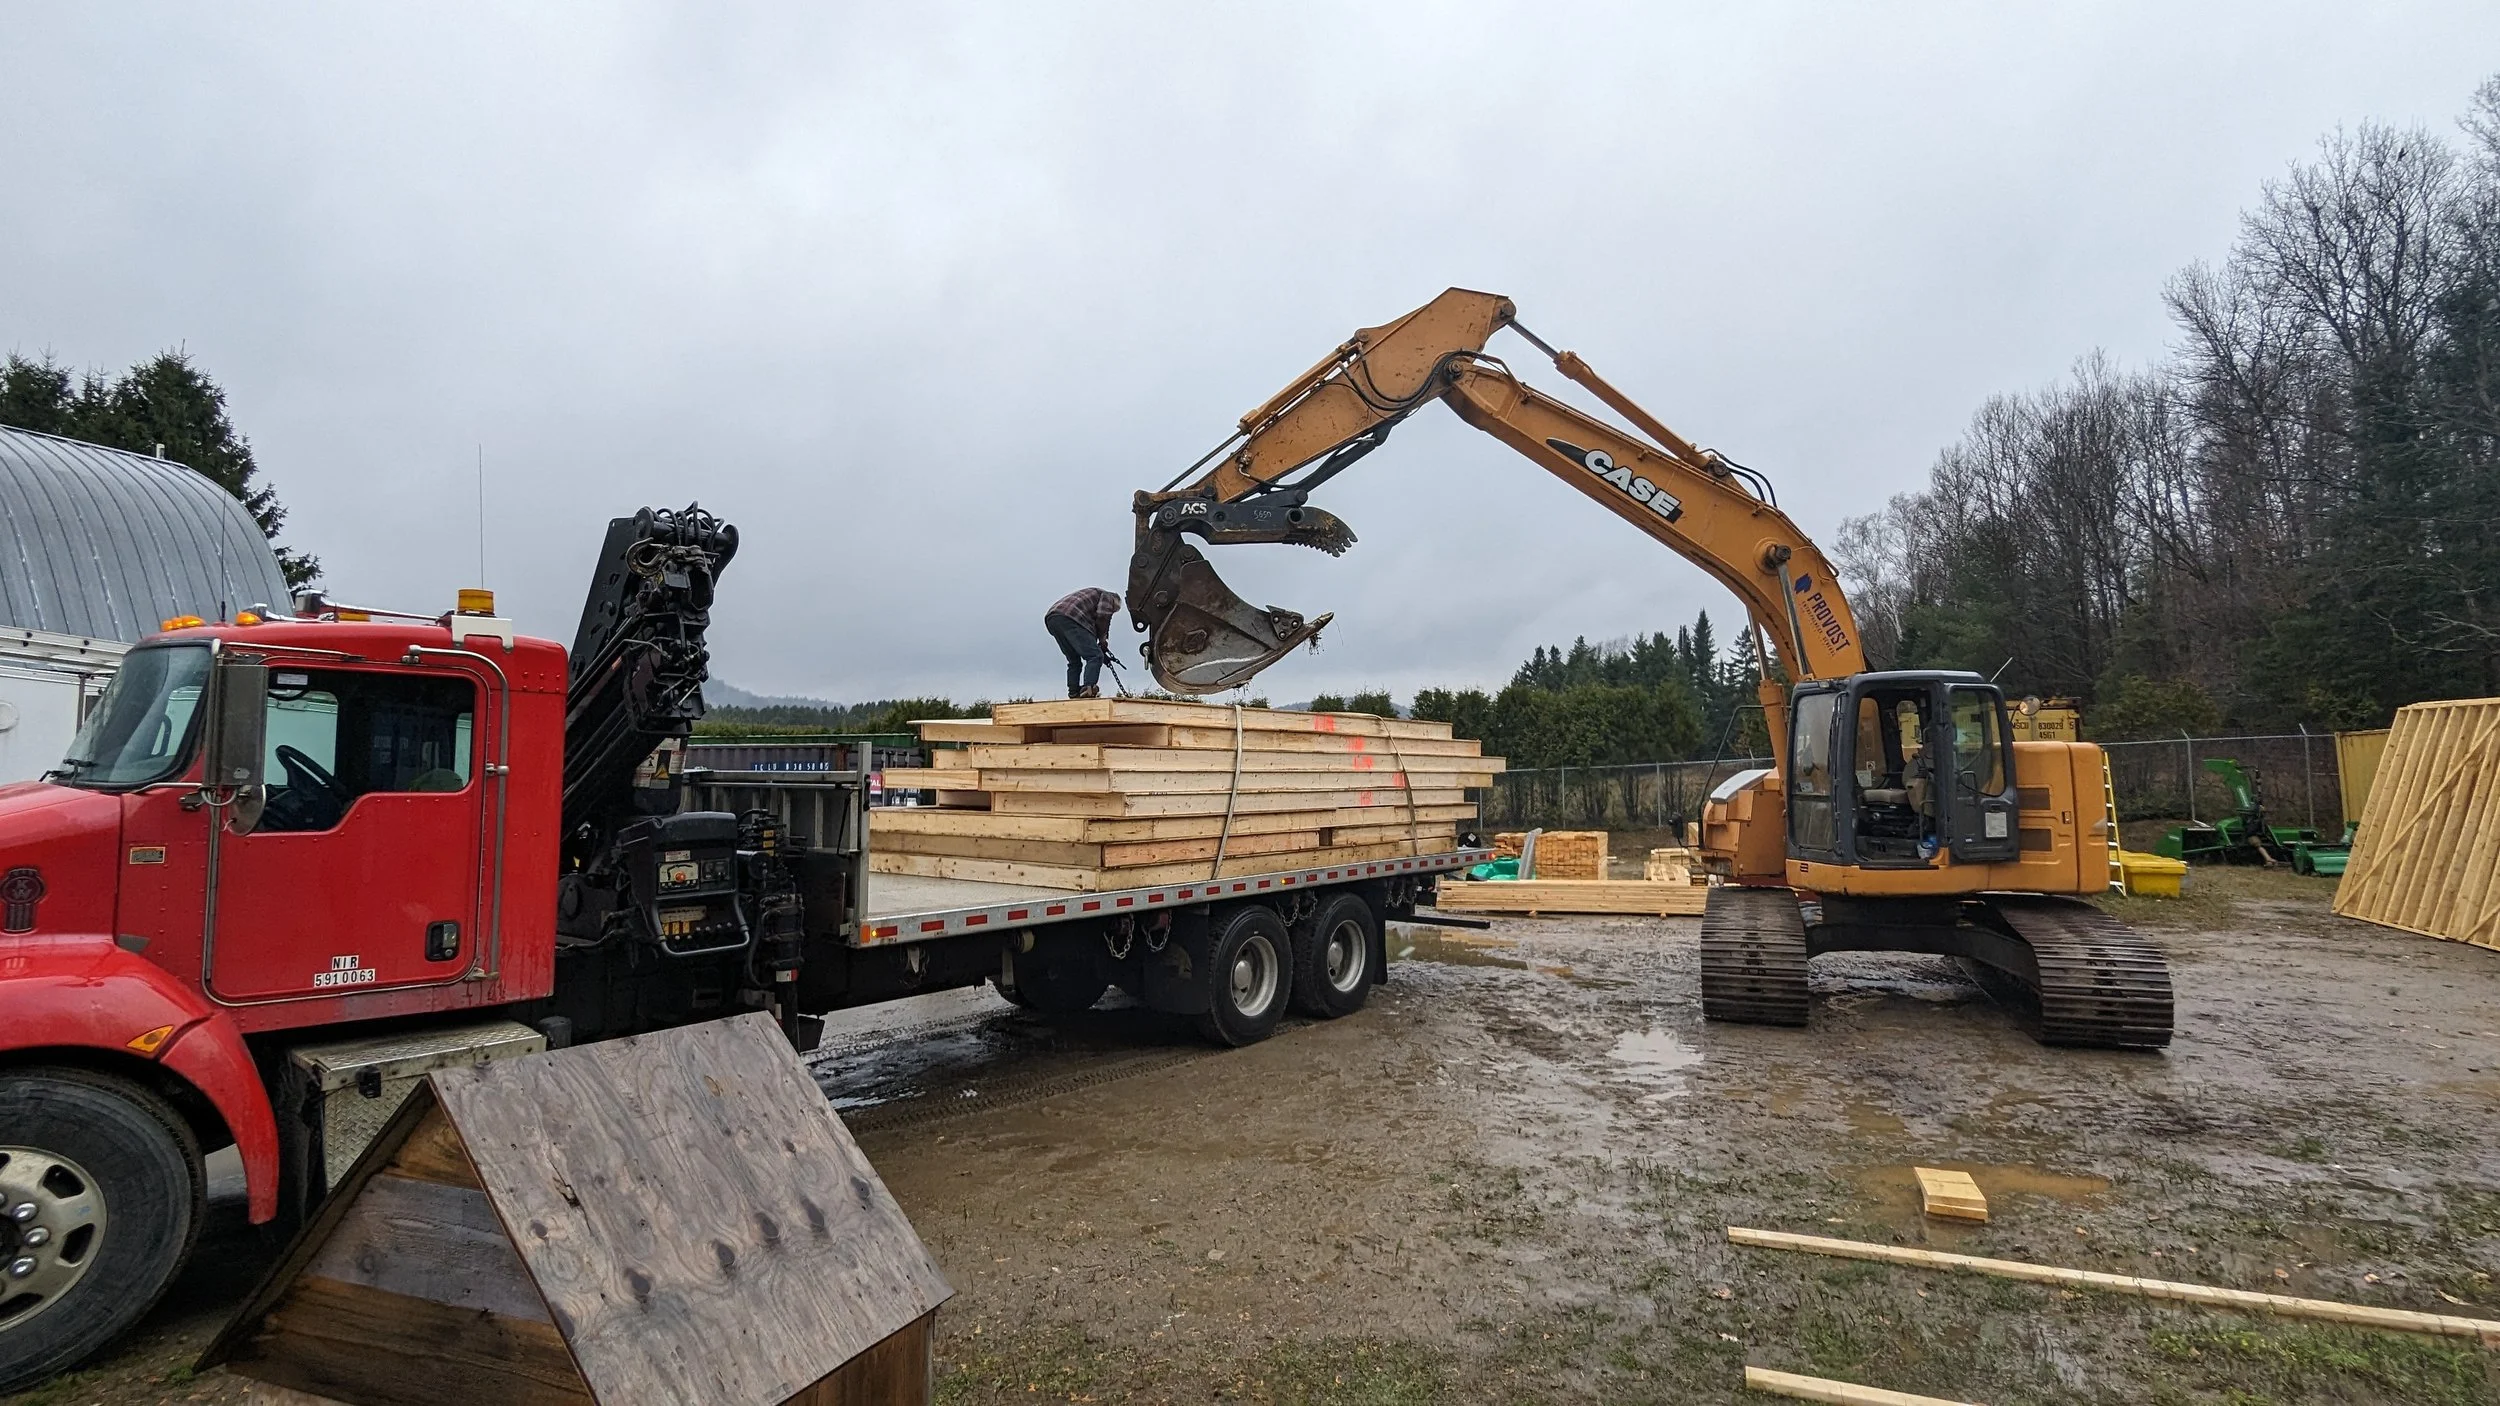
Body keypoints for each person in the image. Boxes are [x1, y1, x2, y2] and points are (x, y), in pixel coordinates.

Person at [1045, 587, 1122, 698]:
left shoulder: (1092, 595)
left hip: (1053, 618)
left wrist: (1096, 645)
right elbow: (1103, 616)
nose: (1111, 612)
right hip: (1071, 617)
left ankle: (1073, 691)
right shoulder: (1108, 597)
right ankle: (1088, 688)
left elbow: (1086, 636)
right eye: (1113, 610)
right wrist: (1103, 640)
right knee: (1095, 656)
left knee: (1074, 660)